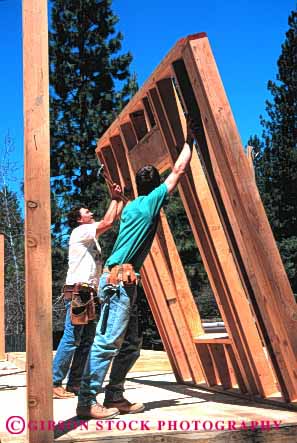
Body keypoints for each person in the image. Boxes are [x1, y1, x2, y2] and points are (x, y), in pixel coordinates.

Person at [76, 118, 197, 419]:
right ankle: (87, 402)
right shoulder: (152, 201)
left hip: (119, 280)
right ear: (155, 188)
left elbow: (129, 205)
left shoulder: (132, 207)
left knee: (131, 344)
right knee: (107, 344)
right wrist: (189, 141)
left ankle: (115, 396)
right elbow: (179, 170)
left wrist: (119, 195)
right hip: (119, 281)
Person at [52, 183, 124, 399]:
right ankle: (53, 382)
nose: (91, 212)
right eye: (86, 212)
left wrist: (120, 200)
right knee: (72, 337)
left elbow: (112, 219)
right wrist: (114, 198)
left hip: (88, 293)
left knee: (86, 339)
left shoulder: (90, 238)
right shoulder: (80, 231)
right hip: (79, 291)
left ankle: (74, 383)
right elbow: (109, 221)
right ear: (79, 219)